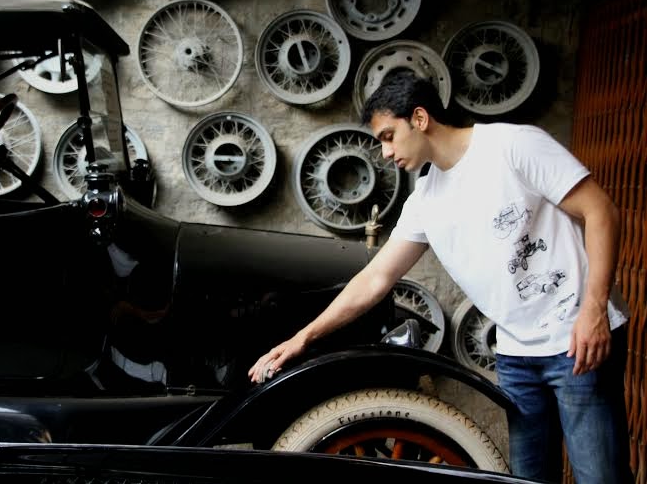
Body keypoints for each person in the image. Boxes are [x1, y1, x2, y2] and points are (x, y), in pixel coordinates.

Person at [248, 71, 633, 484]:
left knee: (600, 477)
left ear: (419, 118)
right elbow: (375, 278)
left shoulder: (512, 145)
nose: (385, 152)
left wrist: (594, 310)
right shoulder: (425, 200)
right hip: (516, 355)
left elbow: (601, 212)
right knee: (528, 481)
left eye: (388, 136)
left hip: (576, 338)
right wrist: (303, 338)